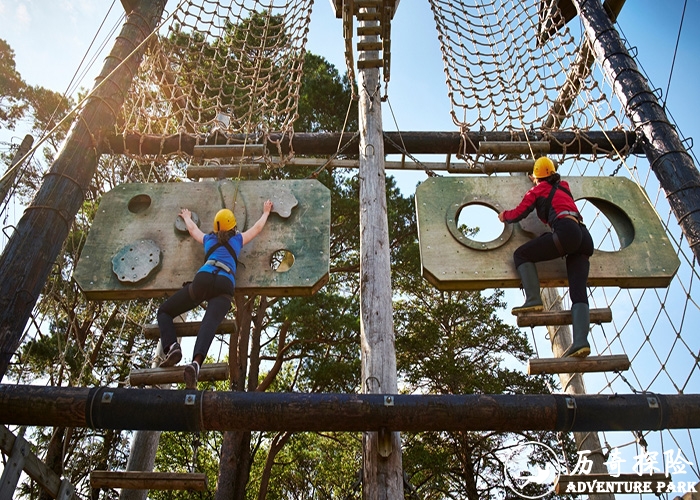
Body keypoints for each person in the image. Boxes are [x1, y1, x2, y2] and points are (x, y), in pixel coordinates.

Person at [157, 200, 273, 388]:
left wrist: (187, 217)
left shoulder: (209, 239)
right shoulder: (237, 240)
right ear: (233, 227)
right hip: (225, 282)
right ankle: (195, 364)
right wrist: (266, 212)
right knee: (209, 323)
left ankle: (172, 347)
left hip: (203, 278)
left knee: (164, 311)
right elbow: (257, 228)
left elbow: (193, 230)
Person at [498, 157, 594, 358]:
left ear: (535, 177)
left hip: (566, 232)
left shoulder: (537, 190)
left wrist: (504, 216)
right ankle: (581, 342)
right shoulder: (564, 186)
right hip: (584, 236)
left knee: (521, 255)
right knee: (578, 291)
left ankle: (533, 299)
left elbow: (520, 212)